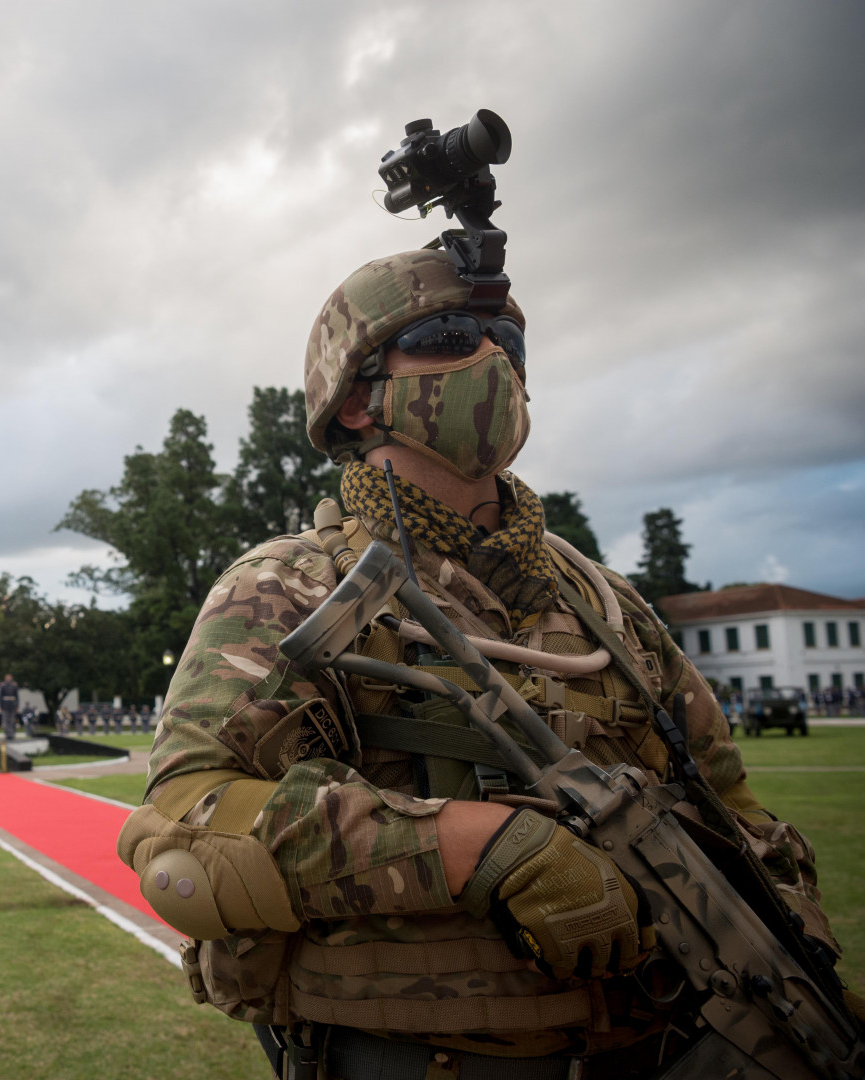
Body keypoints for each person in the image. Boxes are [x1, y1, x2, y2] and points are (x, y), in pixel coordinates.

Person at [120, 247, 840, 1078]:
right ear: (357, 398)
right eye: (452, 334)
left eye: (510, 341)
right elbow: (185, 825)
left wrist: (795, 941)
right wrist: (480, 846)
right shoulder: (283, 589)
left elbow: (733, 803)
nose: (495, 359)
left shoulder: (605, 605)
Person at [0, 674, 19, 739]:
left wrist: (17, 705)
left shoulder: (14, 685)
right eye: (7, 677)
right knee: (6, 721)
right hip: (5, 705)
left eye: (9, 677)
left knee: (12, 721)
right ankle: (7, 734)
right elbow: (0, 697)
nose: (8, 679)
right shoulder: (3, 686)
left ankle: (12, 734)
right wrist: (1, 706)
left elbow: (17, 697)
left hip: (12, 705)